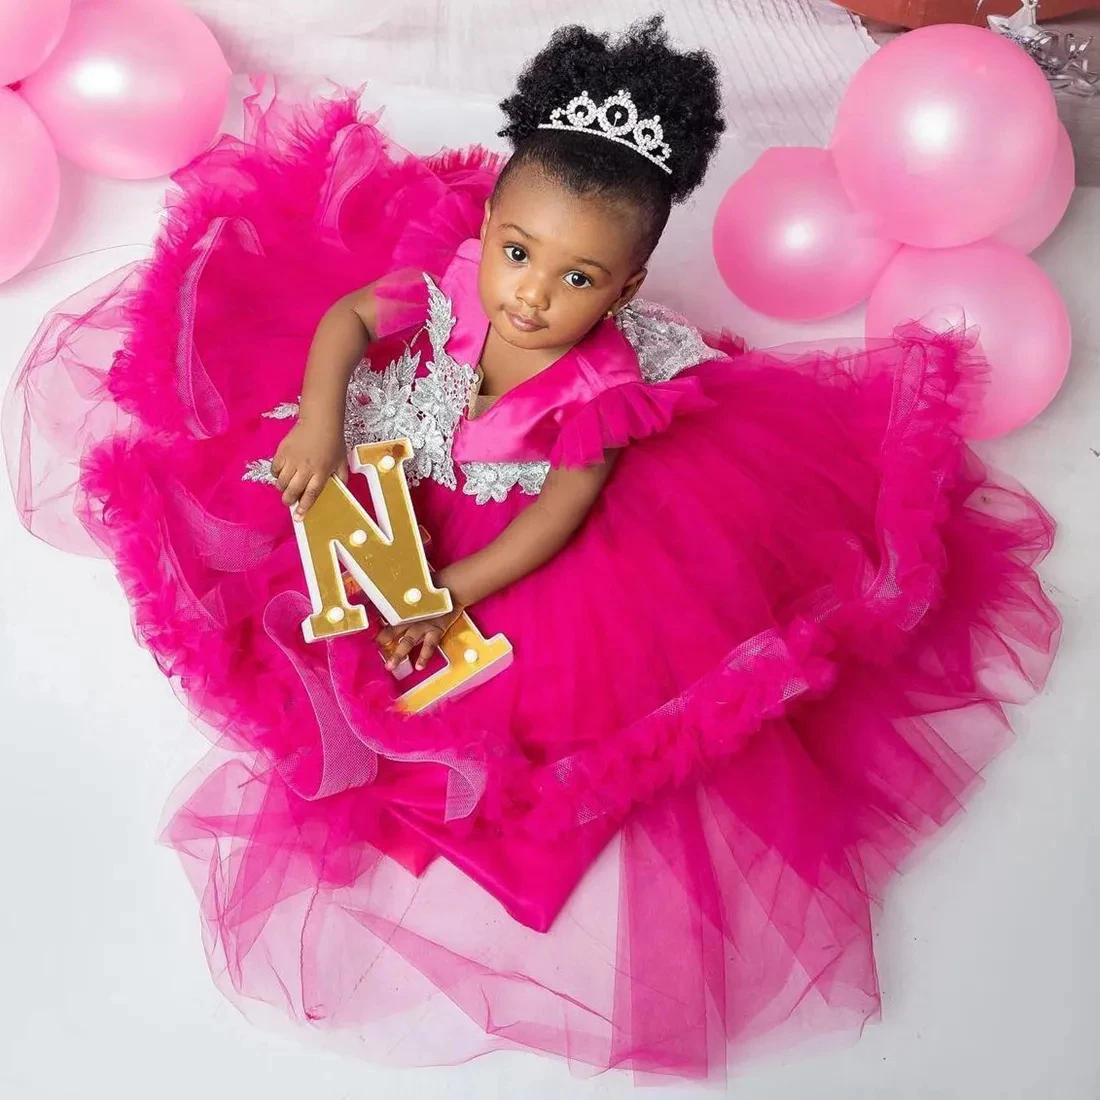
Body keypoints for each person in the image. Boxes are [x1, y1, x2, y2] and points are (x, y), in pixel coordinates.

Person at [4, 17, 1059, 1082]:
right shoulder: (450, 281)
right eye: (516, 253)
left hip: (504, 510)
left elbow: (555, 518)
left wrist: (441, 593)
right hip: (403, 431)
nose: (530, 296)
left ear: (627, 292)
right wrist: (321, 419)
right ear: (490, 228)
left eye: (577, 280)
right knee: (253, 518)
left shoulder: (603, 393)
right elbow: (342, 324)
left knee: (517, 694)